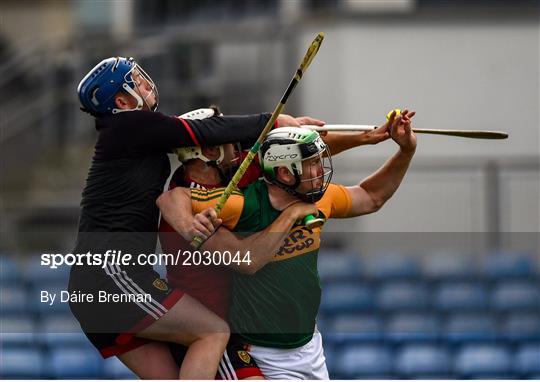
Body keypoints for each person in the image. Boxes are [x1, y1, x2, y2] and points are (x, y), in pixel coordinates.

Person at [68, 56, 322, 379]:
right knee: (213, 332)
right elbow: (204, 131)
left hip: (98, 283)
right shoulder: (128, 126)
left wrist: (287, 134)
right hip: (111, 274)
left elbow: (216, 138)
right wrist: (270, 122)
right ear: (121, 101)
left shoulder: (132, 135)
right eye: (136, 83)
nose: (147, 84)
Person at [165, 109, 416, 379]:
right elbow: (173, 198)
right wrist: (291, 214)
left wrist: (404, 152)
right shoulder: (241, 203)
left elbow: (371, 196)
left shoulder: (318, 196)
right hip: (259, 351)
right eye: (312, 164)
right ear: (284, 173)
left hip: (310, 347)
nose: (321, 171)